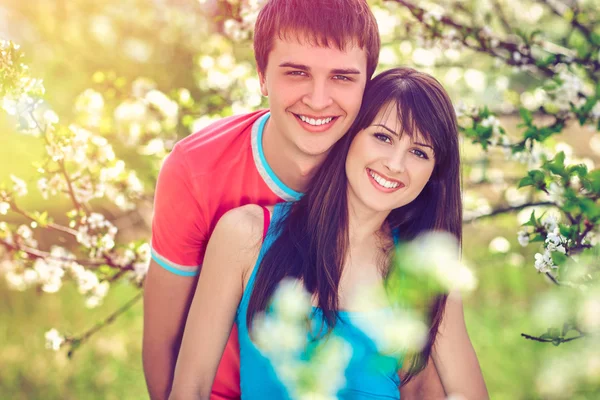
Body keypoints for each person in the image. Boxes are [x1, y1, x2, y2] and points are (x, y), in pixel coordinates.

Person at [143, 0, 445, 398]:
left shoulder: (384, 174)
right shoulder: (195, 170)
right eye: (296, 72)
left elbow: (419, 368)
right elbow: (164, 344)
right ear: (262, 77)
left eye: (342, 77)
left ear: (365, 86)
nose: (318, 100)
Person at [169, 67, 489, 399]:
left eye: (419, 152)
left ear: (434, 175)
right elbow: (189, 389)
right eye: (383, 137)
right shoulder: (246, 235)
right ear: (350, 134)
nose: (396, 164)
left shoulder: (424, 271)